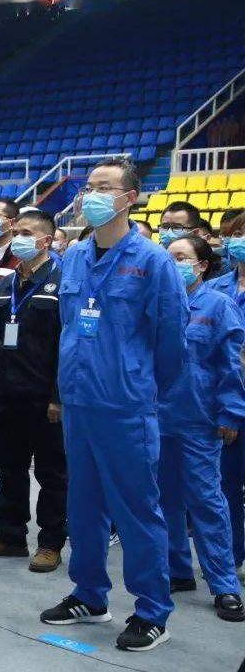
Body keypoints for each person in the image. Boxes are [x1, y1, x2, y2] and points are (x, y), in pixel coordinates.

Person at [39, 159, 187, 652]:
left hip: (126, 405)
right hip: (79, 402)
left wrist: (140, 386)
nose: (92, 195)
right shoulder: (76, 256)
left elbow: (172, 341)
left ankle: (152, 611)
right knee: (83, 504)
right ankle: (89, 594)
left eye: (105, 187)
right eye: (89, 187)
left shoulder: (153, 261)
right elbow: (68, 326)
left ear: (130, 198)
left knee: (137, 509)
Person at [0, 210, 67, 573]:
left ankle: (50, 542)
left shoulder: (62, 283)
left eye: (28, 233)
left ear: (47, 240)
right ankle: (10, 535)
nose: (20, 239)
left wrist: (58, 396)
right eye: (17, 233)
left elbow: (67, 345)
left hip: (44, 397)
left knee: (51, 474)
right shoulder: (4, 285)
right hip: (6, 393)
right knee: (9, 469)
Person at [158, 235, 245, 622]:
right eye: (169, 257)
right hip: (158, 416)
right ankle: (177, 570)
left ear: (203, 265)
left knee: (206, 501)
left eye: (181, 257)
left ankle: (224, 584)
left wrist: (231, 412)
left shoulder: (218, 305)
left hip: (199, 418)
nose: (173, 263)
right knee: (165, 499)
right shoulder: (160, 302)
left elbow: (231, 364)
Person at [205, 211, 245, 585]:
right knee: (225, 485)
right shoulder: (216, 288)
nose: (238, 240)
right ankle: (230, 558)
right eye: (236, 234)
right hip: (225, 400)